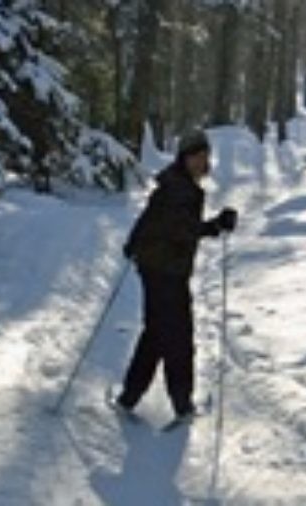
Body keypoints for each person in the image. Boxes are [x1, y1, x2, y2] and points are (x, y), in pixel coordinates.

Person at [115, 129, 237, 422]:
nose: (200, 161)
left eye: (204, 155)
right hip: (166, 272)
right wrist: (216, 225)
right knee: (178, 338)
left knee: (156, 335)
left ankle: (129, 398)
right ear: (184, 157)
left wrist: (134, 243)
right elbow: (181, 229)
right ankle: (182, 407)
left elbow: (151, 217)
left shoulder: (173, 182)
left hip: (157, 268)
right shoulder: (180, 189)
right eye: (195, 156)